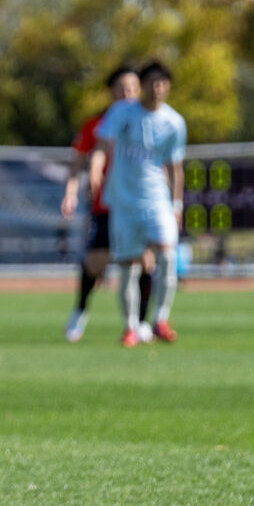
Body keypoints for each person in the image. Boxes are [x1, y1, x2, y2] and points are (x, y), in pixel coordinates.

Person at [92, 60, 187, 347]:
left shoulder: (174, 122)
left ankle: (160, 320)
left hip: (157, 199)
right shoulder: (122, 112)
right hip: (123, 200)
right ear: (143, 85)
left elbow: (175, 167)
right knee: (128, 265)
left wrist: (177, 204)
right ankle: (131, 327)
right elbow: (101, 145)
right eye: (152, 82)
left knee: (167, 255)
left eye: (162, 83)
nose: (157, 88)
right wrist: (96, 168)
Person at [60, 66, 153, 343]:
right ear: (111, 91)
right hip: (106, 206)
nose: (128, 93)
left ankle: (141, 323)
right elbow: (79, 161)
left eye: (133, 88)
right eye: (122, 88)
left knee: (145, 261)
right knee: (95, 262)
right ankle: (80, 310)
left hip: (137, 204)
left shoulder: (149, 121)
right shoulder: (96, 124)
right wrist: (71, 193)